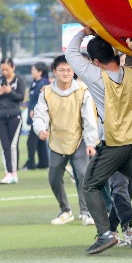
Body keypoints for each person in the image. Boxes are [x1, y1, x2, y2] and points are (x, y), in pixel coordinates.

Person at [65, 28, 132, 256]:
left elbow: (70, 53)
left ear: (96, 61)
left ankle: (106, 234)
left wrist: (84, 32)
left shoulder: (96, 76)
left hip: (114, 143)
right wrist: (128, 44)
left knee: (89, 185)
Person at [33, 55, 98, 226]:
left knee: (83, 175)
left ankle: (85, 212)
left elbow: (89, 119)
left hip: (78, 140)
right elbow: (40, 114)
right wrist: (40, 129)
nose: (65, 73)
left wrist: (91, 143)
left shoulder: (82, 91)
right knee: (54, 178)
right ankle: (65, 210)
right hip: (57, 142)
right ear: (54, 72)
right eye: (61, 70)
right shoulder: (46, 92)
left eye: (69, 70)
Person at [0, 57, 25, 184]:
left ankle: (14, 173)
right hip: (1, 116)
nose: (4, 72)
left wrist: (10, 91)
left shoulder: (18, 80)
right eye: (2, 70)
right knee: (4, 146)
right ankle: (8, 173)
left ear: (13, 68)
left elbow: (21, 97)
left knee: (12, 146)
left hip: (14, 116)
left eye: (7, 69)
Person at [24, 62, 51, 171]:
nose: (32, 72)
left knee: (31, 141)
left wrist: (34, 110)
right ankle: (43, 163)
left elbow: (42, 99)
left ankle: (30, 163)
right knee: (41, 141)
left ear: (40, 72)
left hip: (39, 116)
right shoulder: (35, 83)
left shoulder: (43, 84)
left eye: (33, 70)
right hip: (34, 116)